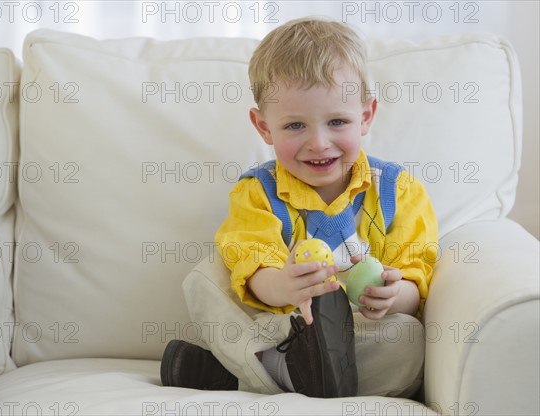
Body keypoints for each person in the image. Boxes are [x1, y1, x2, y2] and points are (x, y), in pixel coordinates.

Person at [160, 17, 438, 398]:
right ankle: (288, 365)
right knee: (205, 279)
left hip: (356, 337)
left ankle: (245, 373)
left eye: (337, 121)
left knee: (407, 340)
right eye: (295, 126)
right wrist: (282, 285)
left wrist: (393, 295)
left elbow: (416, 274)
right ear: (264, 127)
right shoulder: (258, 191)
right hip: (277, 324)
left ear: (366, 117)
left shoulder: (396, 190)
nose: (319, 143)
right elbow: (252, 261)